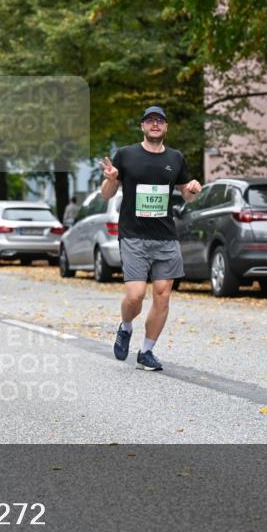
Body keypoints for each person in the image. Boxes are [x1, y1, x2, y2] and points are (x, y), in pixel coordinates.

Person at [99, 105, 202, 371]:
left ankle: (146, 351)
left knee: (163, 295)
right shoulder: (126, 155)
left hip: (166, 237)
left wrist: (193, 190)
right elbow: (107, 195)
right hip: (133, 235)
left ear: (166, 127)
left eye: (160, 120)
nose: (155, 124)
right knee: (135, 296)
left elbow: (187, 195)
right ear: (143, 127)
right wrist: (111, 179)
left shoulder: (176, 158)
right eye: (150, 121)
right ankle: (125, 326)